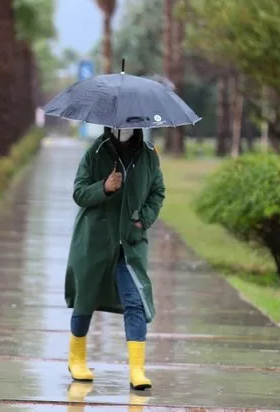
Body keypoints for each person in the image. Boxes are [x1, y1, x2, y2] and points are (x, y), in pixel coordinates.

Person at [64, 126, 165, 390]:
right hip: (95, 240)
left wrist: (143, 219)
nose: (125, 128)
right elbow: (79, 193)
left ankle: (137, 370)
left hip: (130, 243)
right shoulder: (95, 152)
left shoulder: (149, 154)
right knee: (86, 296)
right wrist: (105, 188)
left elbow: (157, 192)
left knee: (135, 301)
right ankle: (77, 358)